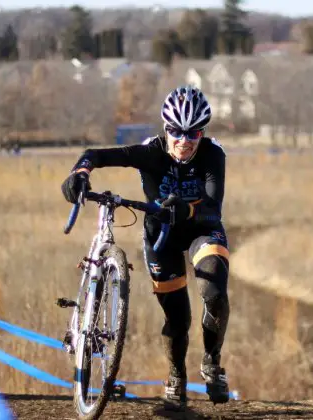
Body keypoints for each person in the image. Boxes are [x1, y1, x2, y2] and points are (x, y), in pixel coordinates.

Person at [60, 85, 231, 408]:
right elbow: (96, 155)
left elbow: (213, 209)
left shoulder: (212, 154)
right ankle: (176, 374)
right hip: (161, 237)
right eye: (175, 132)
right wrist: (79, 172)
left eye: (192, 133)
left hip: (201, 229)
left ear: (202, 132)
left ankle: (212, 362)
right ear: (165, 129)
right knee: (177, 319)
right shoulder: (150, 152)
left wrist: (188, 208)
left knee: (215, 292)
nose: (183, 141)